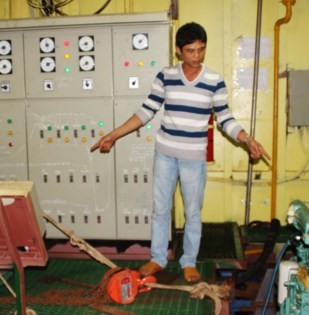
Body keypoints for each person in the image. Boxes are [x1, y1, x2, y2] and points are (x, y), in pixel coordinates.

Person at [90, 22, 270, 283]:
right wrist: (114, 134)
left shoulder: (214, 80)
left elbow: (225, 119)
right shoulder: (166, 76)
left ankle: (188, 262)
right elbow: (146, 111)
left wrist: (247, 139)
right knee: (161, 210)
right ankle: (158, 258)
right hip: (165, 154)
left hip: (193, 159)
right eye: (190, 51)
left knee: (193, 212)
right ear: (178, 51)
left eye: (201, 50)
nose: (197, 56)